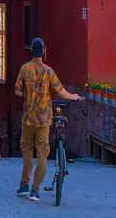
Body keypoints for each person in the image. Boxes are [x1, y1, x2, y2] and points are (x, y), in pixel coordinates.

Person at [12, 37, 80, 200]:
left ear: (31, 51)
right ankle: (35, 189)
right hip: (43, 120)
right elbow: (60, 91)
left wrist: (29, 94)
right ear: (43, 51)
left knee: (27, 152)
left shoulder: (24, 69)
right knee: (42, 153)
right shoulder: (49, 71)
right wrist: (74, 96)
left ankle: (24, 185)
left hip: (28, 118)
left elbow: (17, 91)